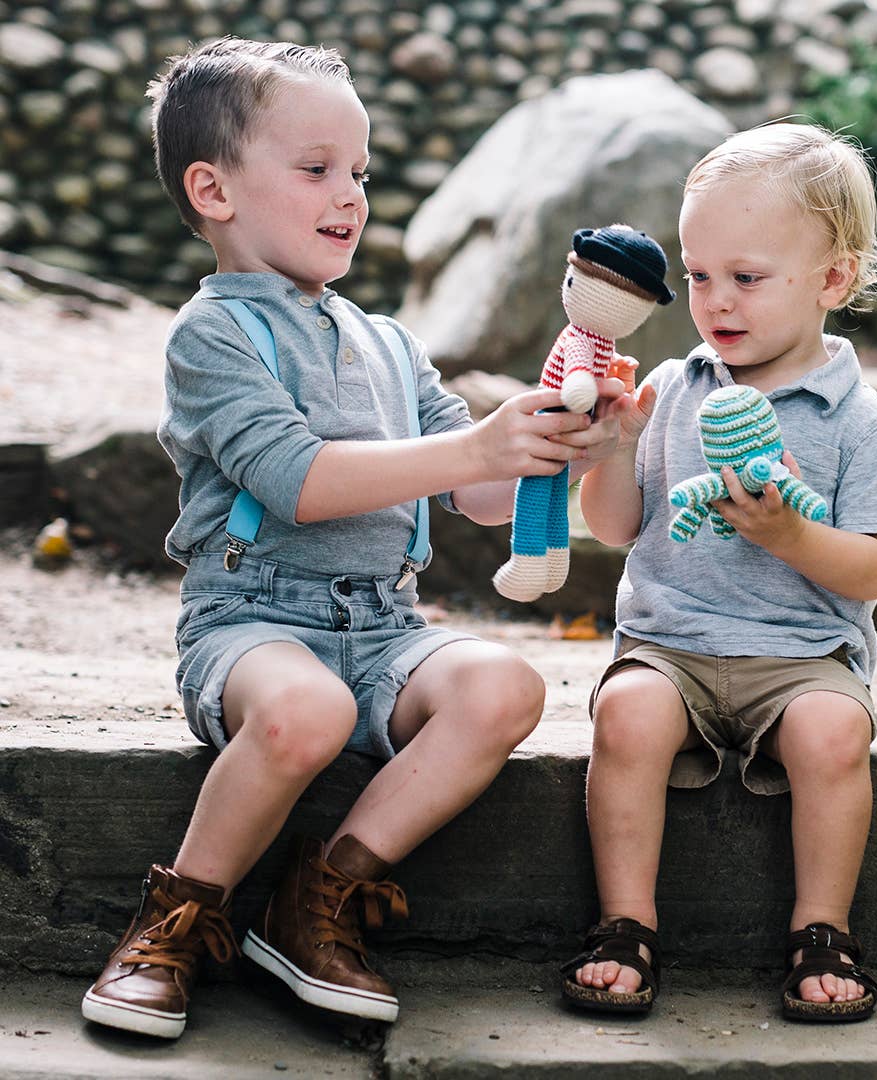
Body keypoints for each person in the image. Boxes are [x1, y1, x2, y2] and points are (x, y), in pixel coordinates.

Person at [81, 37, 631, 1040]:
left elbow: (477, 499)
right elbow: (298, 482)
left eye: (361, 172)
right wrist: (474, 448)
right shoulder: (212, 336)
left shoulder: (389, 340)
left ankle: (318, 897)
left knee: (504, 686)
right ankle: (175, 917)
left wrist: (565, 447)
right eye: (316, 168)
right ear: (213, 189)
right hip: (253, 623)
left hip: (386, 626)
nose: (352, 194)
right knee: (304, 714)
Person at [560, 122, 877, 1023]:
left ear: (832, 280)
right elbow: (616, 528)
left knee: (832, 737)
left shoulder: (861, 422)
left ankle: (821, 930)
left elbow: (875, 573)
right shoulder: (676, 388)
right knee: (625, 713)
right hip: (672, 645)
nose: (714, 302)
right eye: (697, 276)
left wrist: (790, 536)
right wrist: (613, 447)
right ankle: (626, 924)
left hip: (803, 655)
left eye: (746, 278)